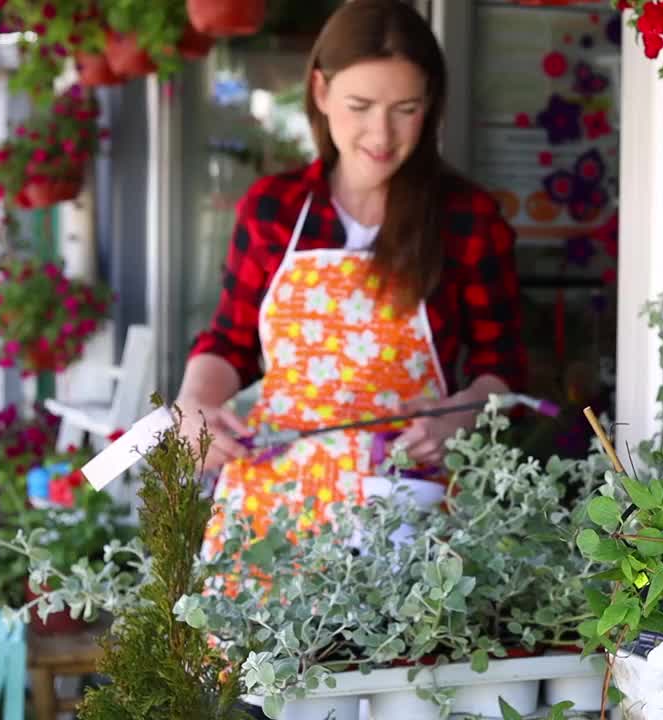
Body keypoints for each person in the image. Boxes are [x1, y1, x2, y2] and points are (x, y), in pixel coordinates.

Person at [177, 0, 527, 555]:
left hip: (404, 509)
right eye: (359, 106)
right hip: (272, 506)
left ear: (430, 102)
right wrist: (196, 403)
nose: (381, 133)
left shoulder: (466, 219)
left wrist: (455, 418)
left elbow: (502, 367)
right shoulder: (274, 210)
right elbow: (229, 342)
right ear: (320, 92)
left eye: (405, 108)